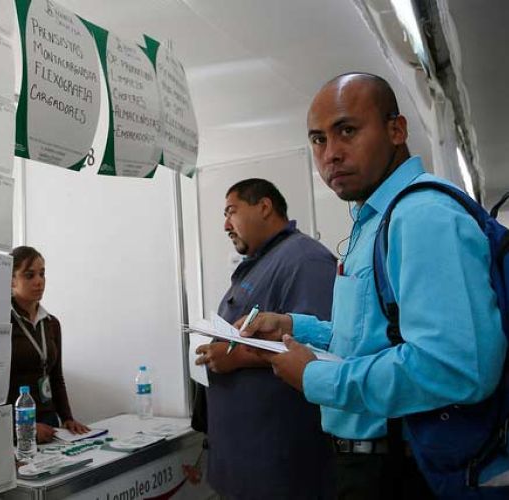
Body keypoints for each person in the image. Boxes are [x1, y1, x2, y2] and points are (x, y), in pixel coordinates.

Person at [241, 73, 506, 498]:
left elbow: (456, 367)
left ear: (396, 130)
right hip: (370, 462)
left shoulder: (422, 216)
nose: (330, 154)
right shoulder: (375, 220)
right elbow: (374, 336)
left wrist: (316, 378)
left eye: (347, 131)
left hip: (406, 467)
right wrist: (293, 326)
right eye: (317, 140)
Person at [195, 178, 337, 498]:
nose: (225, 225)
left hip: (278, 465)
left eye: (231, 211)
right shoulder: (261, 263)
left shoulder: (305, 259)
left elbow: (321, 347)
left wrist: (234, 357)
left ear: (264, 206)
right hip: (244, 459)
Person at [9, 245, 89, 442]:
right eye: (29, 275)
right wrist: (23, 427)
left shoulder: (51, 323)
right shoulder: (2, 323)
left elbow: (55, 376)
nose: (39, 282)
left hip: (48, 420)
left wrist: (67, 417)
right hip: (17, 424)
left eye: (42, 274)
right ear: (11, 280)